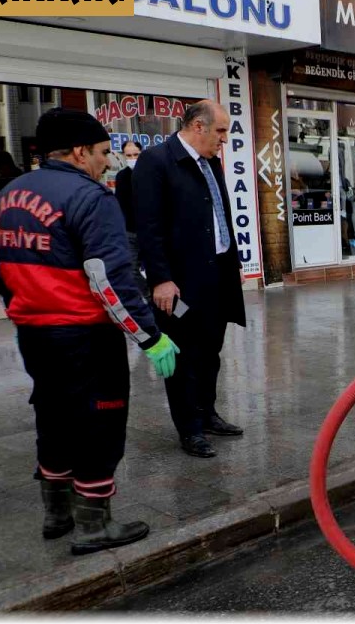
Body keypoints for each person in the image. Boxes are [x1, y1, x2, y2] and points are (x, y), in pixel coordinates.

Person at [0, 108, 179, 555]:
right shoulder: (91, 198)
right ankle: (94, 524)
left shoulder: (10, 194)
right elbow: (110, 281)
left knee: (52, 415)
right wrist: (150, 337)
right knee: (99, 422)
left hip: (34, 335)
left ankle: (56, 512)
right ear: (78, 151)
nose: (107, 163)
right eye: (101, 152)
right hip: (86, 337)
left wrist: (21, 310)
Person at [133, 101, 246, 459]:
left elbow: (220, 215)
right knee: (184, 356)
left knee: (211, 351)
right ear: (198, 126)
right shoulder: (156, 162)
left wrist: (233, 264)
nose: (225, 139)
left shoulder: (210, 162)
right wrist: (161, 280)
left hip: (217, 277)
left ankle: (208, 413)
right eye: (221, 131)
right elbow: (148, 229)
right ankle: (190, 429)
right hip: (180, 286)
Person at [113, 141, 147, 296]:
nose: (132, 158)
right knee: (131, 272)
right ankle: (149, 298)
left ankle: (178, 310)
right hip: (130, 232)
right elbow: (120, 204)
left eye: (135, 154)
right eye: (129, 155)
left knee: (161, 275)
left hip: (150, 232)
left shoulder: (151, 173)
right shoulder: (122, 176)